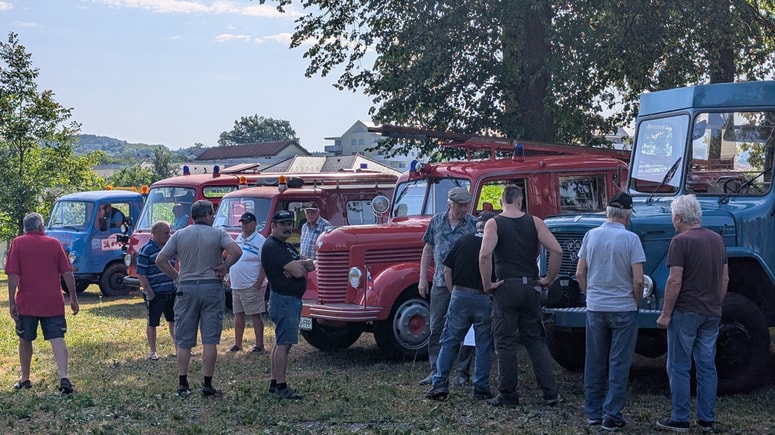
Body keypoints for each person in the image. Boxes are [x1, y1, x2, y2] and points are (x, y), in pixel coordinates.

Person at [479, 184, 562, 408]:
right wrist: (549, 278)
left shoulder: (494, 223)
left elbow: (485, 255)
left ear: (501, 202)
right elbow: (557, 250)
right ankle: (550, 393)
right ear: (520, 201)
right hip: (531, 287)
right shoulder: (535, 222)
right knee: (535, 340)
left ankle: (508, 395)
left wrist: (487, 284)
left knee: (505, 343)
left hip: (506, 287)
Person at [656, 195, 728, 433]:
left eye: (672, 217)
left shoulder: (680, 241)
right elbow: (725, 278)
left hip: (686, 310)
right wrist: (716, 303)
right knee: (707, 365)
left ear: (678, 217)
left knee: (679, 365)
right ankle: (706, 419)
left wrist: (666, 313)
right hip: (712, 311)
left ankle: (680, 418)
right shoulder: (717, 239)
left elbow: (674, 280)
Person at [156, 200, 242, 398]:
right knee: (210, 339)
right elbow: (237, 251)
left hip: (186, 287)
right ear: (208, 215)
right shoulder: (218, 233)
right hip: (211, 286)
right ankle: (207, 384)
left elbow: (160, 259)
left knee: (184, 339)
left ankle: (182, 383)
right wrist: (225, 266)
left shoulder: (179, 234)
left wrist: (176, 276)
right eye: (212, 214)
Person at [576, 192, 646, 431]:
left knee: (594, 360)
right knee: (619, 363)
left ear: (607, 212)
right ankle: (612, 414)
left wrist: (589, 294)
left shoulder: (590, 235)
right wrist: (636, 302)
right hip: (623, 307)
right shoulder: (631, 239)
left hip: (596, 306)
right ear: (628, 215)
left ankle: (593, 411)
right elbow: (638, 280)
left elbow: (579, 272)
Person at [425, 211, 496, 401]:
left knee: (449, 341)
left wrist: (453, 291)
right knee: (483, 344)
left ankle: (439, 383)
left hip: (460, 295)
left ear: (477, 226)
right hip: (484, 298)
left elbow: (447, 270)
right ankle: (481, 387)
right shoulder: (493, 245)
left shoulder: (463, 241)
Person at [7, 212, 80, 394]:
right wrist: (73, 298)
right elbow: (67, 273)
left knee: (25, 339)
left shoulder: (18, 243)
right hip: (52, 302)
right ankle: (64, 377)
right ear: (41, 226)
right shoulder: (54, 243)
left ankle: (25, 378)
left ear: (26, 228)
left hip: (27, 302)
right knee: (57, 338)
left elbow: (13, 275)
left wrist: (11, 301)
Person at [417, 187, 477, 386]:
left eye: (466, 205)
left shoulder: (473, 224)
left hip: (465, 285)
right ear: (450, 204)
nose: (463, 209)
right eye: (460, 206)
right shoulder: (436, 221)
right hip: (441, 284)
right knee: (436, 326)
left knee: (466, 328)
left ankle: (462, 372)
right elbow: (427, 250)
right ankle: (436, 370)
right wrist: (422, 278)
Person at [261, 210, 315, 400]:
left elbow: (310, 264)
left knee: (281, 342)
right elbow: (299, 271)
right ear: (273, 226)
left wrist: (299, 265)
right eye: (282, 224)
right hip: (284, 300)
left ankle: (274, 383)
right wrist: (298, 266)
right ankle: (281, 386)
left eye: (289, 223)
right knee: (284, 344)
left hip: (288, 299)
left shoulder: (286, 246)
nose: (287, 228)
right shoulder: (273, 246)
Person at [228, 212, 267, 353]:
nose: (244, 225)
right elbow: (233, 258)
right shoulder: (239, 238)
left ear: (254, 224)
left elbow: (265, 264)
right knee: (238, 314)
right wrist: (230, 277)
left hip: (251, 284)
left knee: (255, 314)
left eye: (247, 223)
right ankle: (237, 344)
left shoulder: (261, 241)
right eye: (242, 223)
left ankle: (259, 345)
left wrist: (258, 283)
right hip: (237, 284)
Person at [137, 221, 176, 361]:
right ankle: (153, 351)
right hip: (156, 292)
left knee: (174, 320)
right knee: (153, 322)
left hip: (171, 290)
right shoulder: (146, 250)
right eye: (166, 233)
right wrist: (149, 291)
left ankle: (179, 348)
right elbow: (141, 273)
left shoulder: (169, 247)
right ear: (157, 233)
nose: (169, 235)